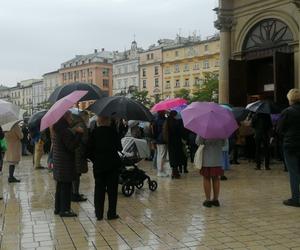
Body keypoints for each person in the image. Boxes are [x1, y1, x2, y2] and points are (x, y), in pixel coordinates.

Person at [88, 116, 122, 221]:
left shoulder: (94, 132)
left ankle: (99, 214)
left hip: (99, 165)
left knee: (99, 189)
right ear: (108, 121)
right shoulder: (113, 132)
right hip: (112, 165)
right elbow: (119, 147)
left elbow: (88, 150)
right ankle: (111, 213)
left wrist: (95, 159)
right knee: (112, 190)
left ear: (98, 122)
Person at [52, 111, 83, 217]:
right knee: (66, 186)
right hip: (65, 163)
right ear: (65, 117)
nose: (72, 119)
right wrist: (79, 134)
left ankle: (58, 208)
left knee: (60, 186)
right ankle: (65, 210)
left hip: (59, 163)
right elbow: (71, 146)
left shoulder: (58, 128)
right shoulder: (64, 131)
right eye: (70, 117)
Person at [277, 89, 300, 207]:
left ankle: (296, 198)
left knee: (294, 172)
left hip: (290, 145)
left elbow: (279, 129)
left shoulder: (287, 112)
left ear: (290, 99)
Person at [196, 136, 224, 207]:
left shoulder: (204, 128)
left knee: (206, 178)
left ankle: (208, 200)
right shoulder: (221, 129)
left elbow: (198, 142)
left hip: (207, 159)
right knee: (216, 178)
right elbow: (224, 143)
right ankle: (215, 200)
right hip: (217, 159)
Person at [71, 111, 89, 202]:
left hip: (73, 152)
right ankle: (75, 194)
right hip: (79, 152)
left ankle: (73, 192)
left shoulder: (73, 124)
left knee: (74, 173)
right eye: (87, 117)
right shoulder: (82, 125)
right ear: (84, 116)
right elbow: (85, 140)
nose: (88, 119)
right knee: (77, 174)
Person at [163, 111, 185, 179]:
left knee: (172, 156)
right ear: (175, 115)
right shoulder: (178, 122)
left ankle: (173, 171)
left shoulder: (167, 122)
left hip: (170, 142)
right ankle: (176, 172)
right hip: (177, 142)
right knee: (177, 156)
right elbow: (181, 132)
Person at [153, 111, 169, 177]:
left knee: (159, 155)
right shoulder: (164, 120)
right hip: (163, 139)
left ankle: (160, 170)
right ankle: (160, 171)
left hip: (158, 139)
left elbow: (155, 131)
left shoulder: (155, 120)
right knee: (162, 155)